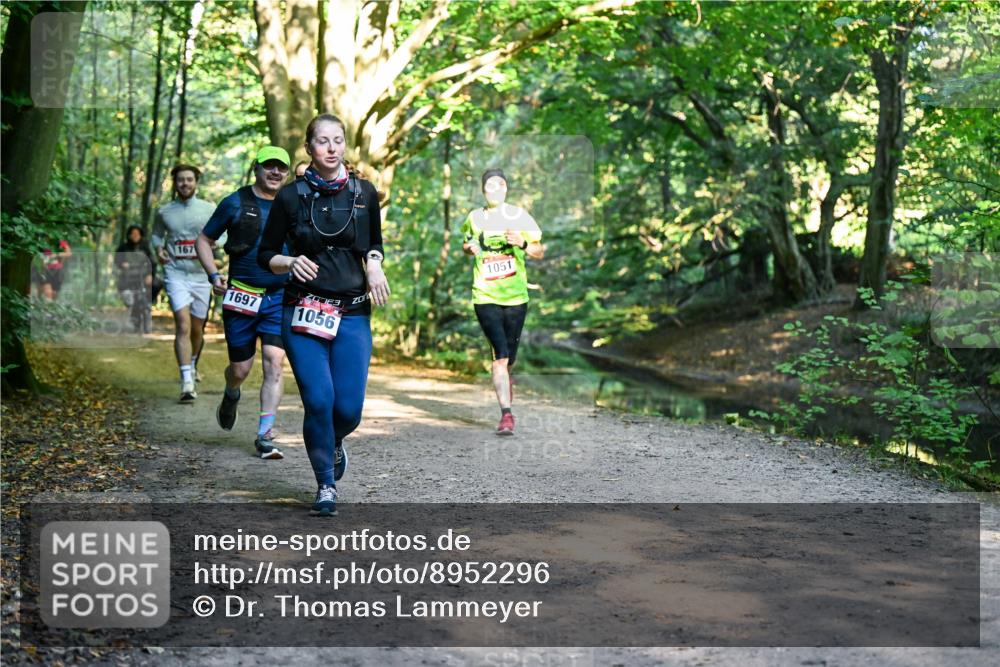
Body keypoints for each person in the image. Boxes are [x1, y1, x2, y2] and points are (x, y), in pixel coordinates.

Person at [257, 114, 390, 516]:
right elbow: (265, 255)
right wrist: (288, 262)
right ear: (309, 147)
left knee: (347, 409)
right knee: (319, 399)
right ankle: (325, 485)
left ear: (344, 145)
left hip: (351, 313)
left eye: (338, 140)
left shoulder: (365, 193)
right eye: (322, 141)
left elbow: (374, 244)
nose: (331, 148)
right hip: (303, 311)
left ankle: (334, 441)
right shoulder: (290, 197)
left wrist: (374, 263)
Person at [196, 146, 292, 460]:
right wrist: (213, 275)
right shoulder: (235, 203)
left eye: (282, 168)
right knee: (240, 369)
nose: (275, 172)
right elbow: (204, 240)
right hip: (241, 296)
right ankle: (231, 393)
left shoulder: (293, 205)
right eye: (269, 166)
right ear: (256, 168)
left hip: (278, 298)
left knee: (274, 364)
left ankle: (265, 435)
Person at [460, 168, 543, 436]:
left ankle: (505, 378)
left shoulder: (520, 216)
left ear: (506, 188)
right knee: (500, 356)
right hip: (484, 295)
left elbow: (539, 251)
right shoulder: (474, 218)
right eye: (489, 186)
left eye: (500, 184)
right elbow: (467, 242)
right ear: (483, 190)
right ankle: (506, 414)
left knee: (509, 359)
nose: (495, 189)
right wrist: (469, 248)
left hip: (516, 296)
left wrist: (522, 243)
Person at [152, 164, 217, 403]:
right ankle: (186, 381)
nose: (185, 184)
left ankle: (192, 364)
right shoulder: (164, 212)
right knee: (182, 324)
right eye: (181, 180)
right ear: (175, 183)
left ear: (196, 182)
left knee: (197, 329)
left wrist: (215, 248)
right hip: (176, 273)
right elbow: (156, 235)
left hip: (202, 276)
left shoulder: (209, 209)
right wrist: (159, 249)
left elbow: (223, 235)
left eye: (189, 180)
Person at [115, 225, 155, 334]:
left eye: (137, 234)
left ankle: (148, 311)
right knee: (131, 299)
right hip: (128, 278)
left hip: (143, 277)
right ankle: (136, 322)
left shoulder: (145, 247)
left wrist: (150, 275)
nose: (135, 236)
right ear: (129, 235)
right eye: (133, 234)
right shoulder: (123, 247)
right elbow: (117, 260)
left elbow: (153, 262)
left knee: (157, 285)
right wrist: (122, 264)